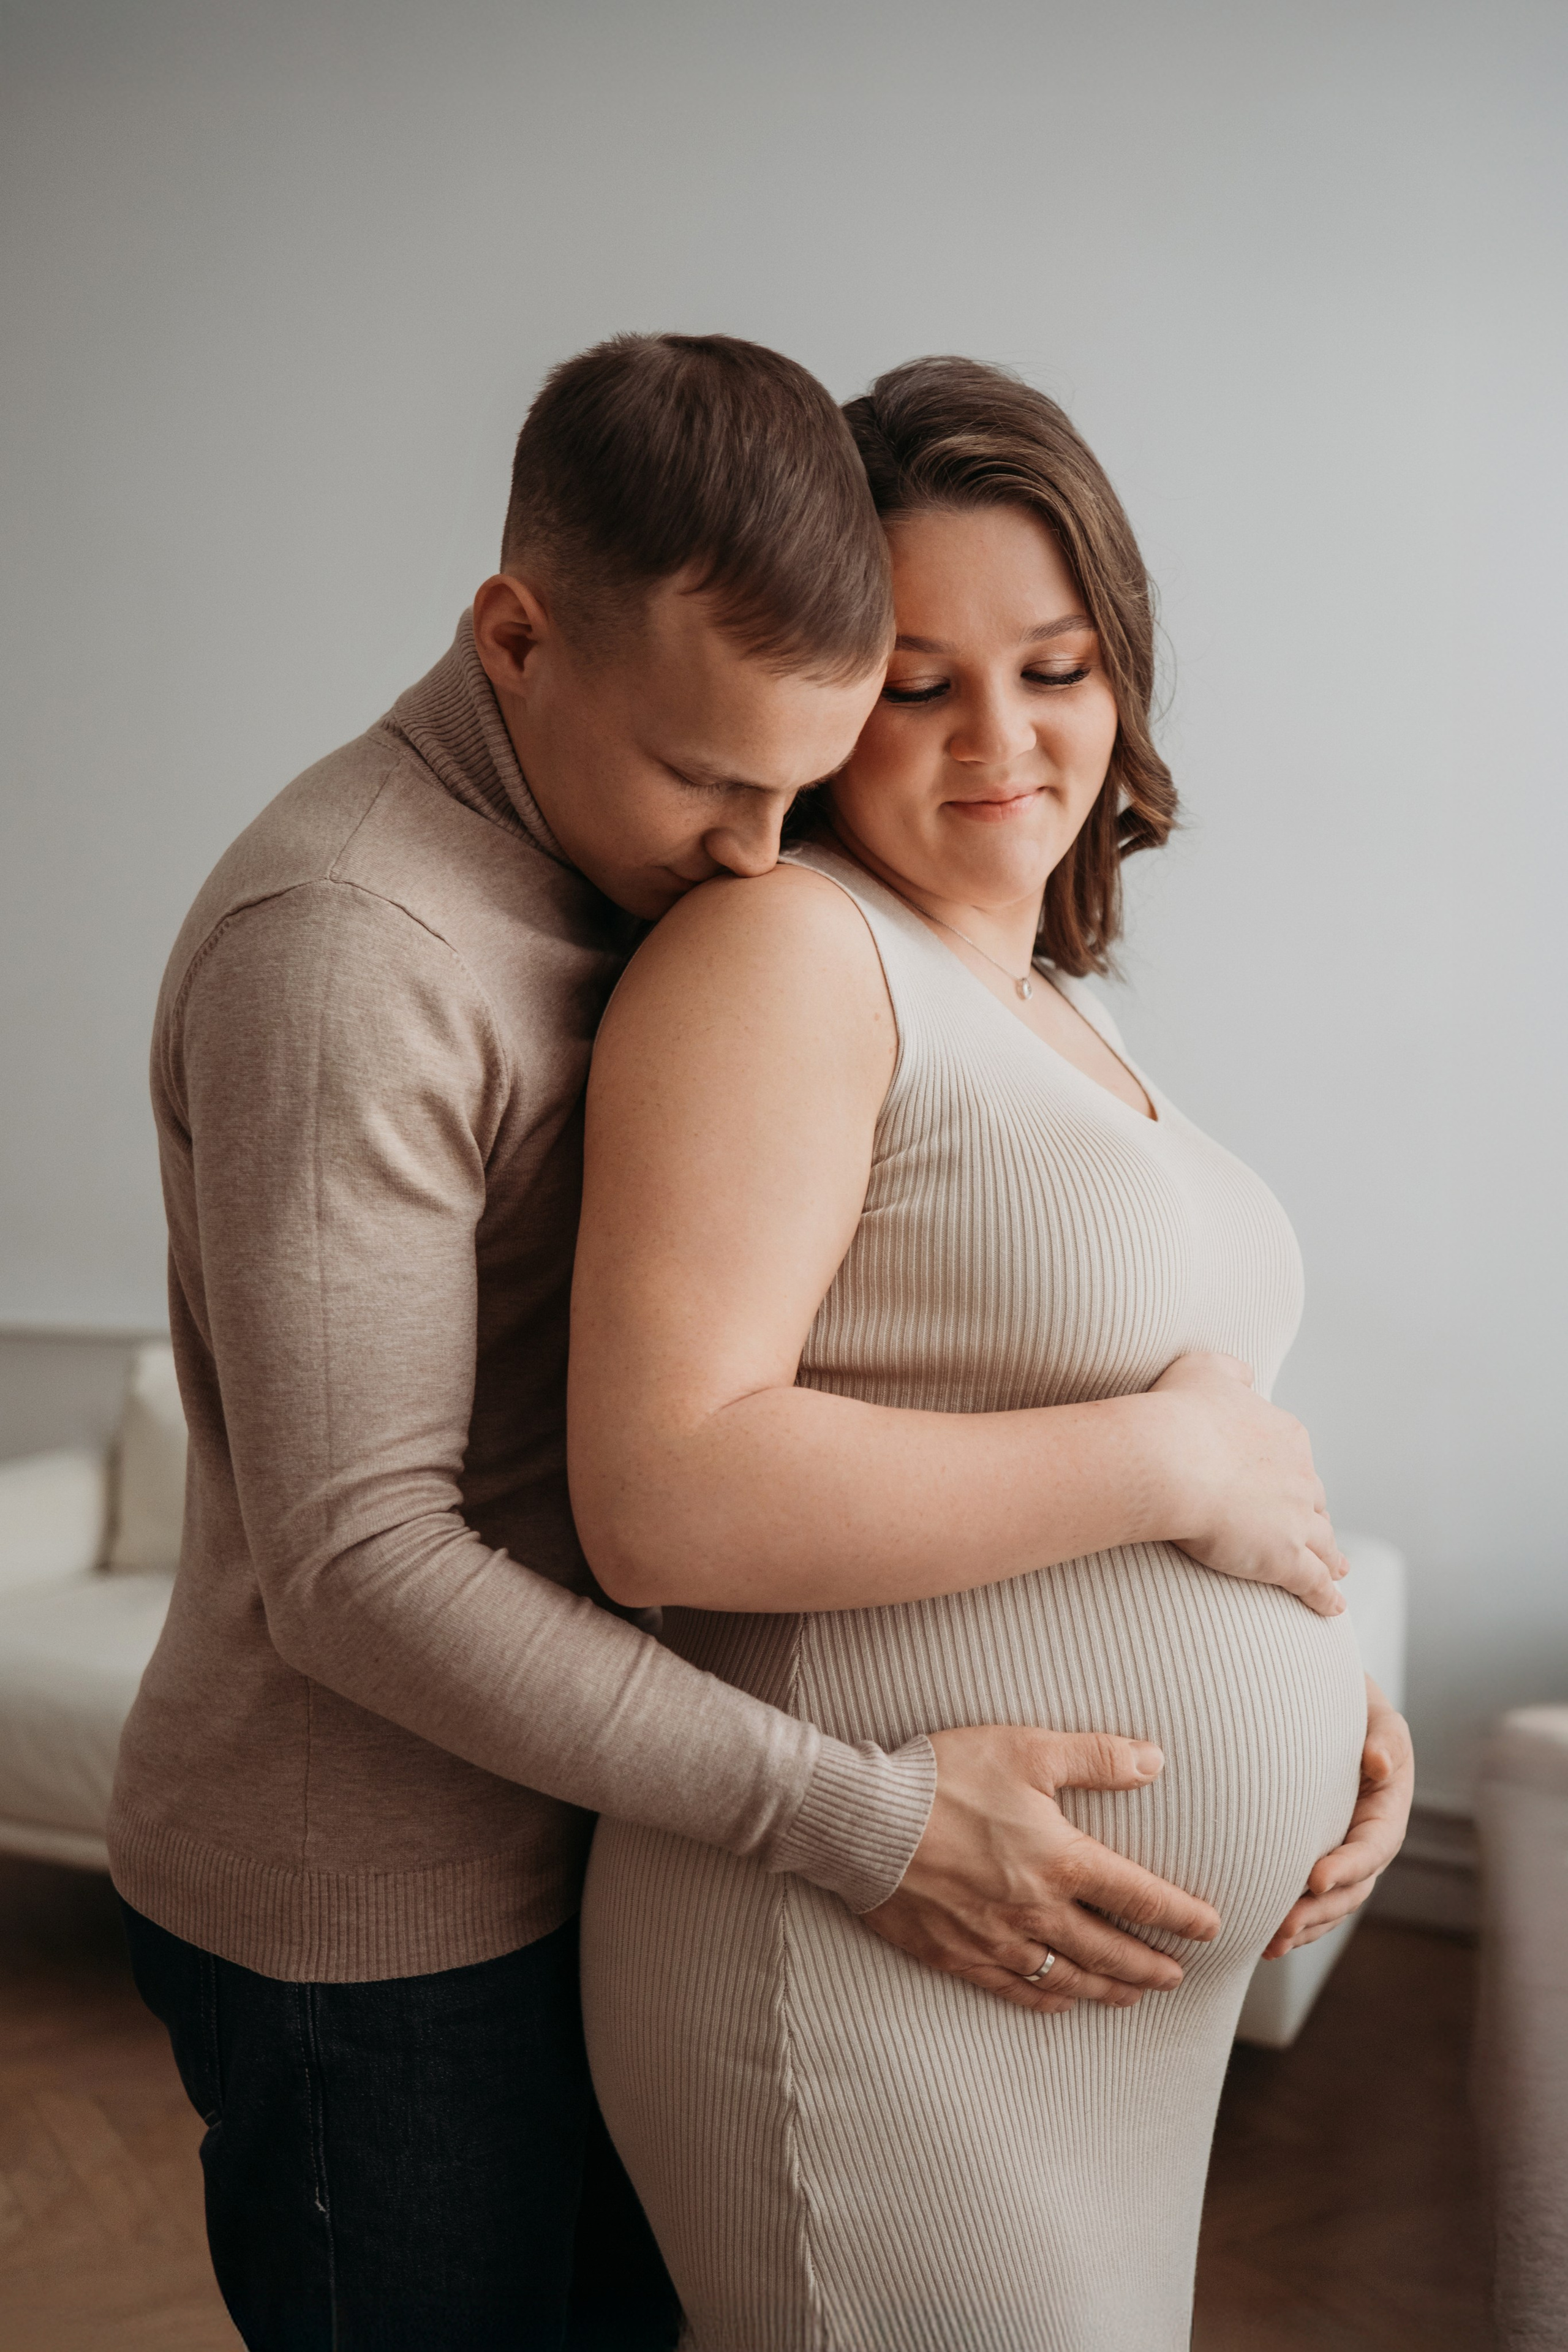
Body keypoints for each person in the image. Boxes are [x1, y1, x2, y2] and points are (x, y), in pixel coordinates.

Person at [104, 334, 1303, 2352]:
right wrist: (864, 1818)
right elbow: (359, 1569)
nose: (760, 850)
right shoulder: (347, 947)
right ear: (514, 638)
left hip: (611, 1830)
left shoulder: (637, 866)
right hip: (377, 1921)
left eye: (790, 777)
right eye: (711, 778)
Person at [571, 355, 1412, 2351]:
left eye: (1052, 666)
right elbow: (660, 1488)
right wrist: (1174, 1479)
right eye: (919, 682)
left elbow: (1134, 1408)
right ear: (826, 698)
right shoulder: (782, 954)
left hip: (1074, 1991)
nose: (1002, 741)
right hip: (871, 1950)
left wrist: (1324, 1688)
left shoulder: (1051, 1004)